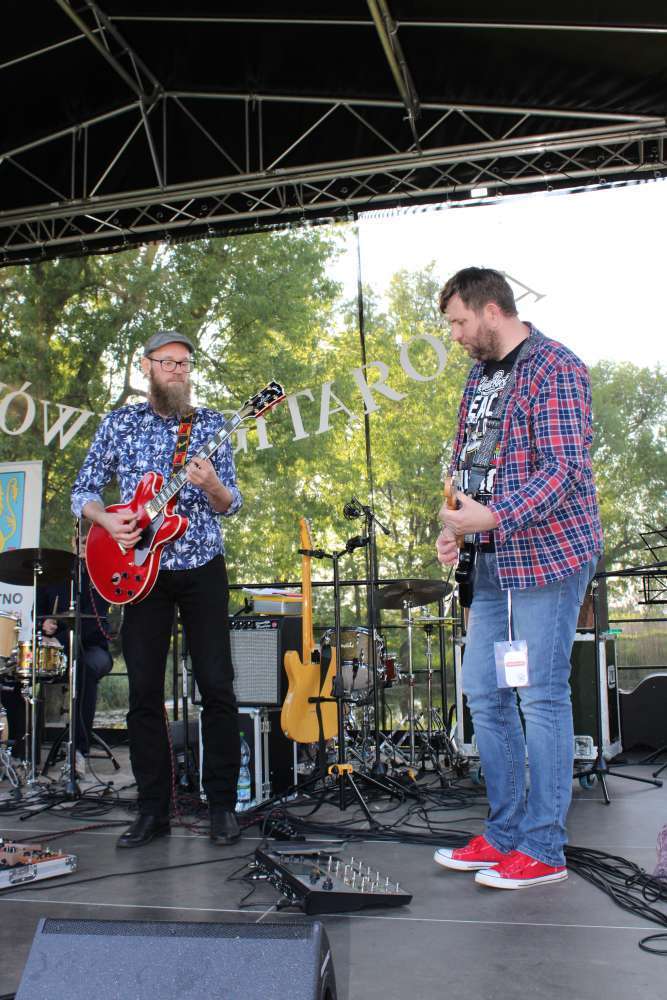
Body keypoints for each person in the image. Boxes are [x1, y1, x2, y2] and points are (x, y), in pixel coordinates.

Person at [433, 267, 602, 889]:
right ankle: (504, 834)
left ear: (491, 310)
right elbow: (467, 466)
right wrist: (456, 527)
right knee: (484, 692)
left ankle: (544, 847)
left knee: (541, 696)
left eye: (459, 321)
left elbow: (563, 470)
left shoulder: (556, 367)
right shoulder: (478, 377)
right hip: (491, 560)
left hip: (548, 558)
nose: (454, 334)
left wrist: (495, 515)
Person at [71, 329, 243, 847]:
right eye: (168, 362)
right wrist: (108, 520)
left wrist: (212, 485)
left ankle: (222, 806)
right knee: (143, 691)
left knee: (217, 685)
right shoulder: (119, 423)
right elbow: (83, 490)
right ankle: (153, 810)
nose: (178, 371)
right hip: (139, 570)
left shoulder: (210, 425)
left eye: (185, 363)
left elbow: (230, 504)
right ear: (145, 366)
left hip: (201, 565)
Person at [36, 527, 112, 779]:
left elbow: (93, 625)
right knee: (22, 672)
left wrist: (59, 637)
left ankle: (78, 751)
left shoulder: (100, 575)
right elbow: (37, 615)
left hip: (94, 650)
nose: (83, 546)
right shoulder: (53, 576)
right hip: (57, 652)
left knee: (84, 668)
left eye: (88, 542)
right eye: (80, 541)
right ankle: (25, 754)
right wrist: (44, 625)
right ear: (72, 541)